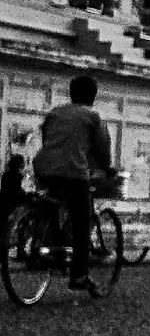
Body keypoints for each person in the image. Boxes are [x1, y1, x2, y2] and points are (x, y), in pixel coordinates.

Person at [33, 74, 113, 293]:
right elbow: (102, 148)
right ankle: (79, 275)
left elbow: (47, 139)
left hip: (44, 167)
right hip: (73, 172)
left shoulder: (55, 113)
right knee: (82, 223)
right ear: (94, 95)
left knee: (52, 205)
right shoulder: (93, 116)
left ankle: (50, 245)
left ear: (71, 93)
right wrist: (107, 168)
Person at [0, 154, 25, 232]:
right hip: (12, 201)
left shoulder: (6, 174)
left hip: (4, 199)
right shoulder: (17, 175)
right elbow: (16, 190)